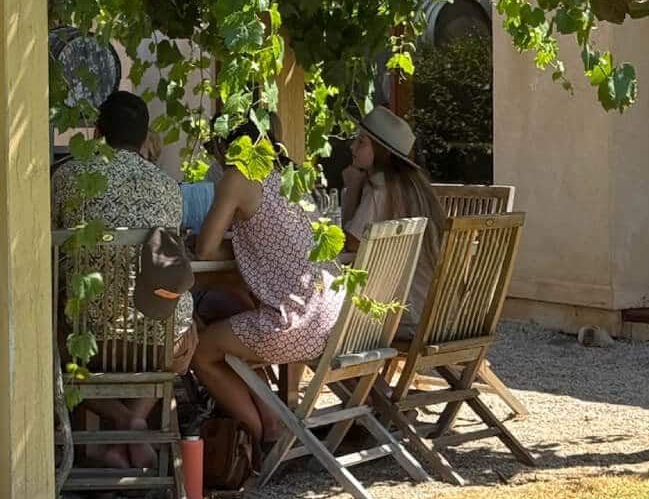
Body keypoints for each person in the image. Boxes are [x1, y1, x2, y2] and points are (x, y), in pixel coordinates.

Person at [51, 91, 195, 468]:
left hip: (87, 342)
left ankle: (116, 432)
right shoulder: (166, 187)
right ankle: (134, 423)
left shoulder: (66, 177)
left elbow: (45, 245)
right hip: (158, 344)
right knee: (189, 332)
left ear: (97, 132)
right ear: (146, 136)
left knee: (46, 343)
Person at [190, 124, 344, 454]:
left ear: (228, 147)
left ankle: (265, 437)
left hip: (299, 323)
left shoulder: (238, 177)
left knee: (202, 351)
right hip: (334, 313)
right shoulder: (287, 175)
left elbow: (204, 249)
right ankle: (276, 416)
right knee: (228, 310)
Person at [340, 107, 446, 328]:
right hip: (435, 308)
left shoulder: (379, 188)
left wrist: (352, 189)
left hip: (399, 314)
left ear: (381, 150)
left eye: (361, 142)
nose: (352, 147)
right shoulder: (416, 187)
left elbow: (351, 244)